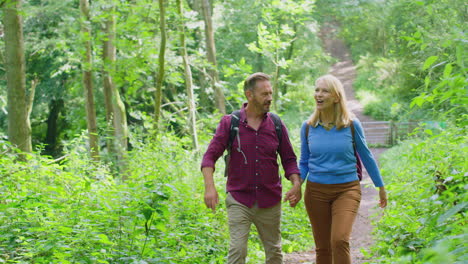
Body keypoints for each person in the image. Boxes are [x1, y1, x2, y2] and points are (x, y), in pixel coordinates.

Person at [201, 72, 302, 264]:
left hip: (270, 199)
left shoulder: (277, 124)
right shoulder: (230, 123)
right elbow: (209, 157)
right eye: (264, 94)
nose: (270, 98)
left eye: (271, 93)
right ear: (249, 95)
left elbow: (289, 159)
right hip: (239, 198)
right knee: (237, 250)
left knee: (274, 252)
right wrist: (209, 187)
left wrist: (296, 183)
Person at [299, 74, 387, 264]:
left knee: (339, 240)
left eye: (324, 90)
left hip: (347, 189)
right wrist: (297, 185)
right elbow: (304, 161)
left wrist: (380, 186)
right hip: (315, 191)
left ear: (337, 97)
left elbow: (367, 156)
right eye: (316, 90)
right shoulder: (308, 127)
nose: (318, 95)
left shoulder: (352, 125)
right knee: (323, 248)